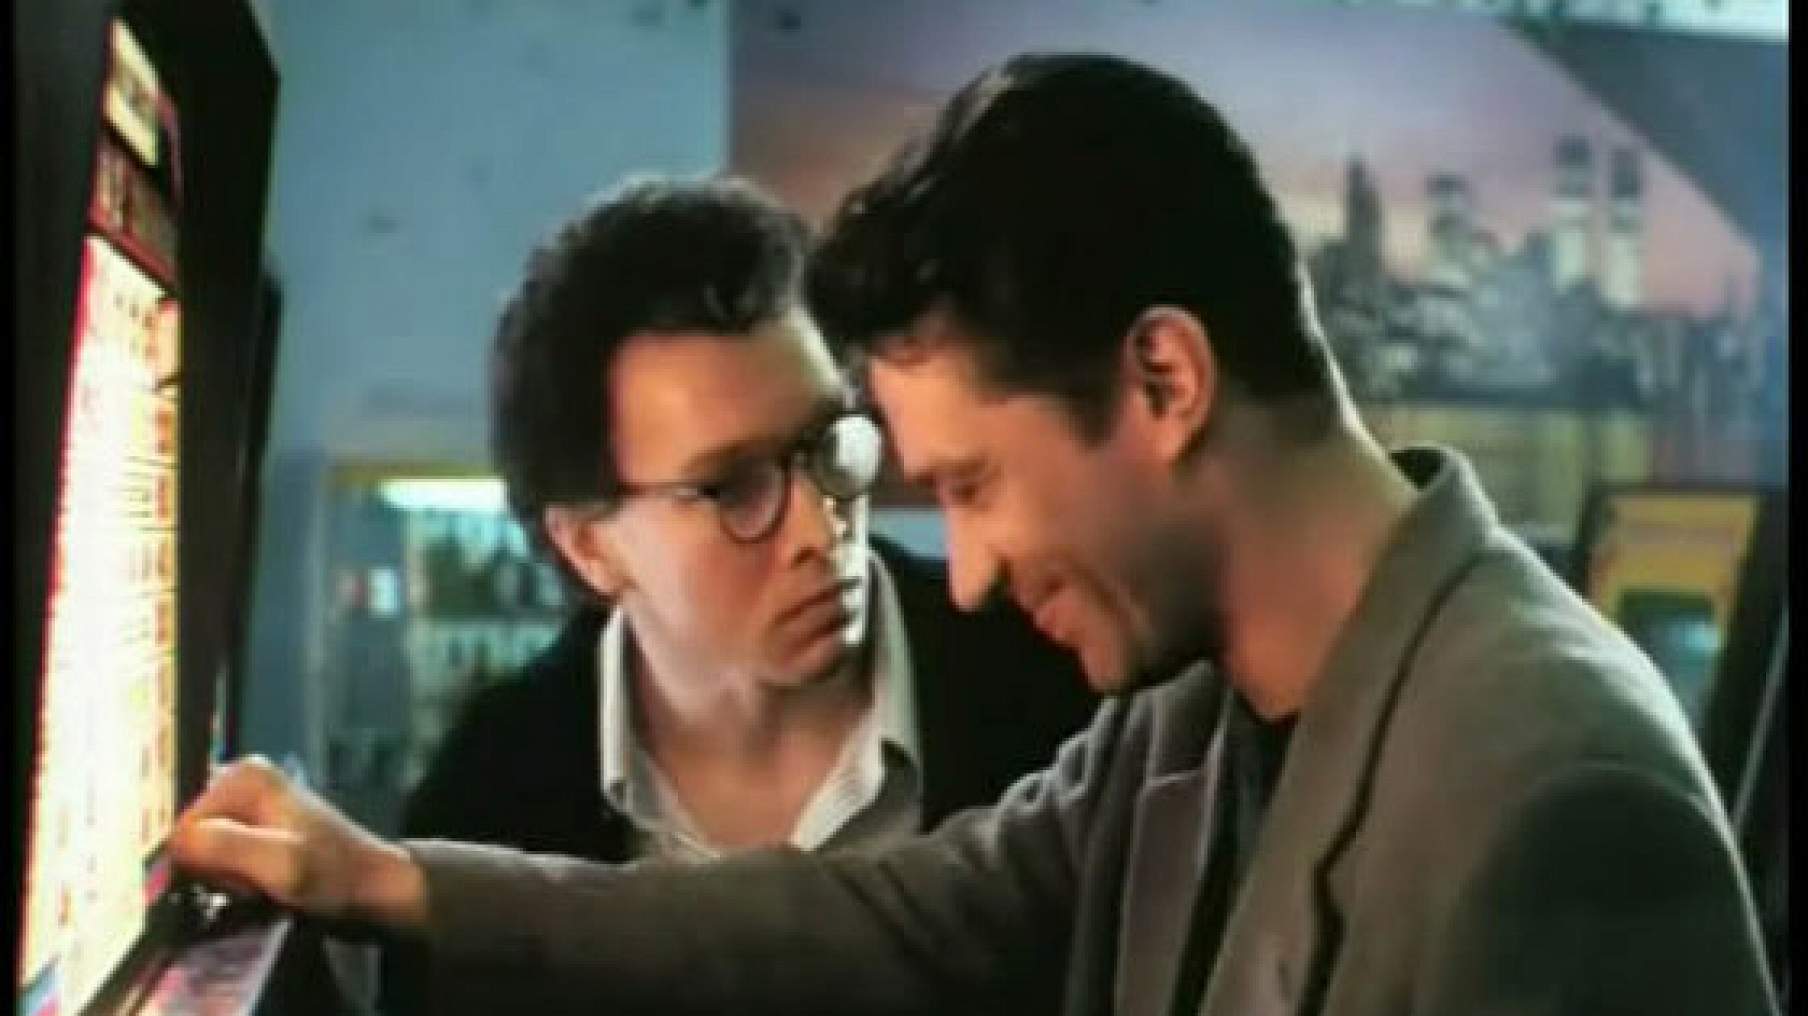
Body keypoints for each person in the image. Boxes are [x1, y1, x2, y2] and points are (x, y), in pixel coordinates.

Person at [172, 53, 1779, 1016]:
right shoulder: (1189, 708)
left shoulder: (1557, 795)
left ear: (1165, 380)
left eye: (976, 485)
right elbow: (886, 913)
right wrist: (402, 884)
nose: (975, 571)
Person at [380, 176, 1097, 1010]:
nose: (820, 527)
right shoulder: (486, 797)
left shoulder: (1060, 690)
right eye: (732, 487)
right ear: (590, 545)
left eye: (828, 443)